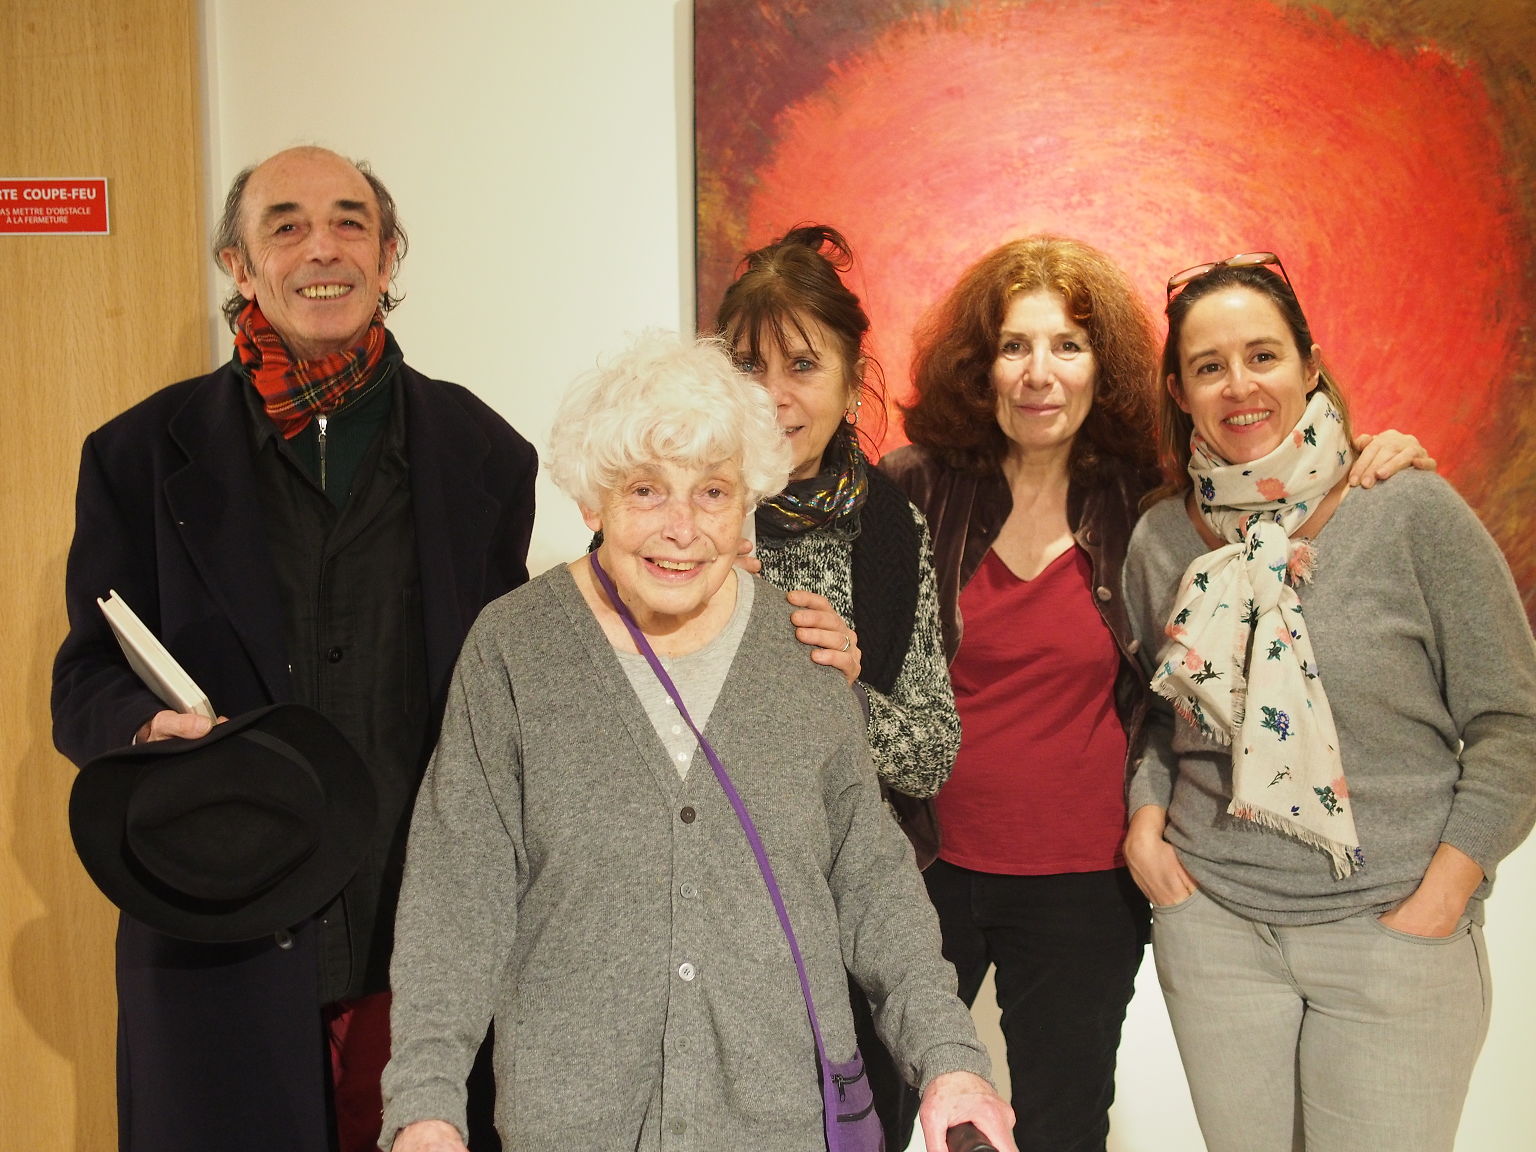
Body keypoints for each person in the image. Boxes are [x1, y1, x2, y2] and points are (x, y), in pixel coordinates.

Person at [379, 330, 1016, 1152]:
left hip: (778, 1124)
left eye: (713, 492)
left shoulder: (806, 653)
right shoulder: (515, 650)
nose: (681, 528)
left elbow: (873, 884)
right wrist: (426, 1104)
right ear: (593, 502)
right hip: (574, 1126)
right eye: (646, 490)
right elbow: (455, 896)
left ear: (747, 501)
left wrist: (950, 1061)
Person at [879, 237, 1429, 1152]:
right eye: (1015, 346)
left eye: (1067, 346)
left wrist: (1373, 450)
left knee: (1060, 1129)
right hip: (918, 863)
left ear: (1105, 369)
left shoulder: (1148, 502)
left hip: (1085, 884)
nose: (1039, 373)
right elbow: (814, 547)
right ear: (981, 366)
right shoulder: (917, 488)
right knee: (871, 1114)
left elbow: (1279, 490)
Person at [51, 146, 536, 1152]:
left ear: (388, 256)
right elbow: (84, 679)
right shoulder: (135, 455)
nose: (323, 248)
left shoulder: (486, 452)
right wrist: (145, 725)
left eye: (351, 222)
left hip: (424, 940)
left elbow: (516, 685)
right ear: (239, 264)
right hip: (218, 920)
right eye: (286, 226)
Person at [1121, 253, 1536, 1151]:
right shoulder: (1159, 538)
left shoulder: (1411, 510)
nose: (1240, 386)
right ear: (1180, 393)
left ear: (1309, 367)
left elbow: (1514, 723)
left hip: (1392, 935)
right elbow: (1157, 711)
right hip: (1216, 930)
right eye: (1209, 366)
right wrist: (1146, 827)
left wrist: (1444, 894)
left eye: (1263, 356)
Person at [714, 224, 961, 1145]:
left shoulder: (892, 528)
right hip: (700, 917)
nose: (773, 396)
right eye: (747, 367)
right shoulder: (665, 515)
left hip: (846, 925)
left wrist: (845, 688)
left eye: (803, 366)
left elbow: (931, 756)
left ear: (855, 382)